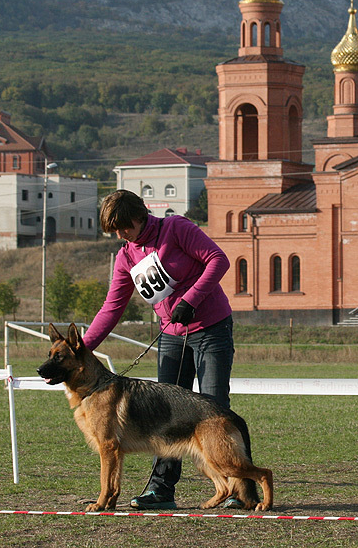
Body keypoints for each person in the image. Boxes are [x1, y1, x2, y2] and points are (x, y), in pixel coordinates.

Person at [82, 189, 237, 510]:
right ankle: (161, 490)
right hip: (171, 335)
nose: (120, 235)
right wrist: (81, 349)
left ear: (140, 216)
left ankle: (237, 488)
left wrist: (190, 300)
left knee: (215, 407)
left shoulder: (175, 229)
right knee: (165, 414)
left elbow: (219, 260)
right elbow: (112, 307)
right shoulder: (126, 257)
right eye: (114, 230)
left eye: (124, 227)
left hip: (211, 329)